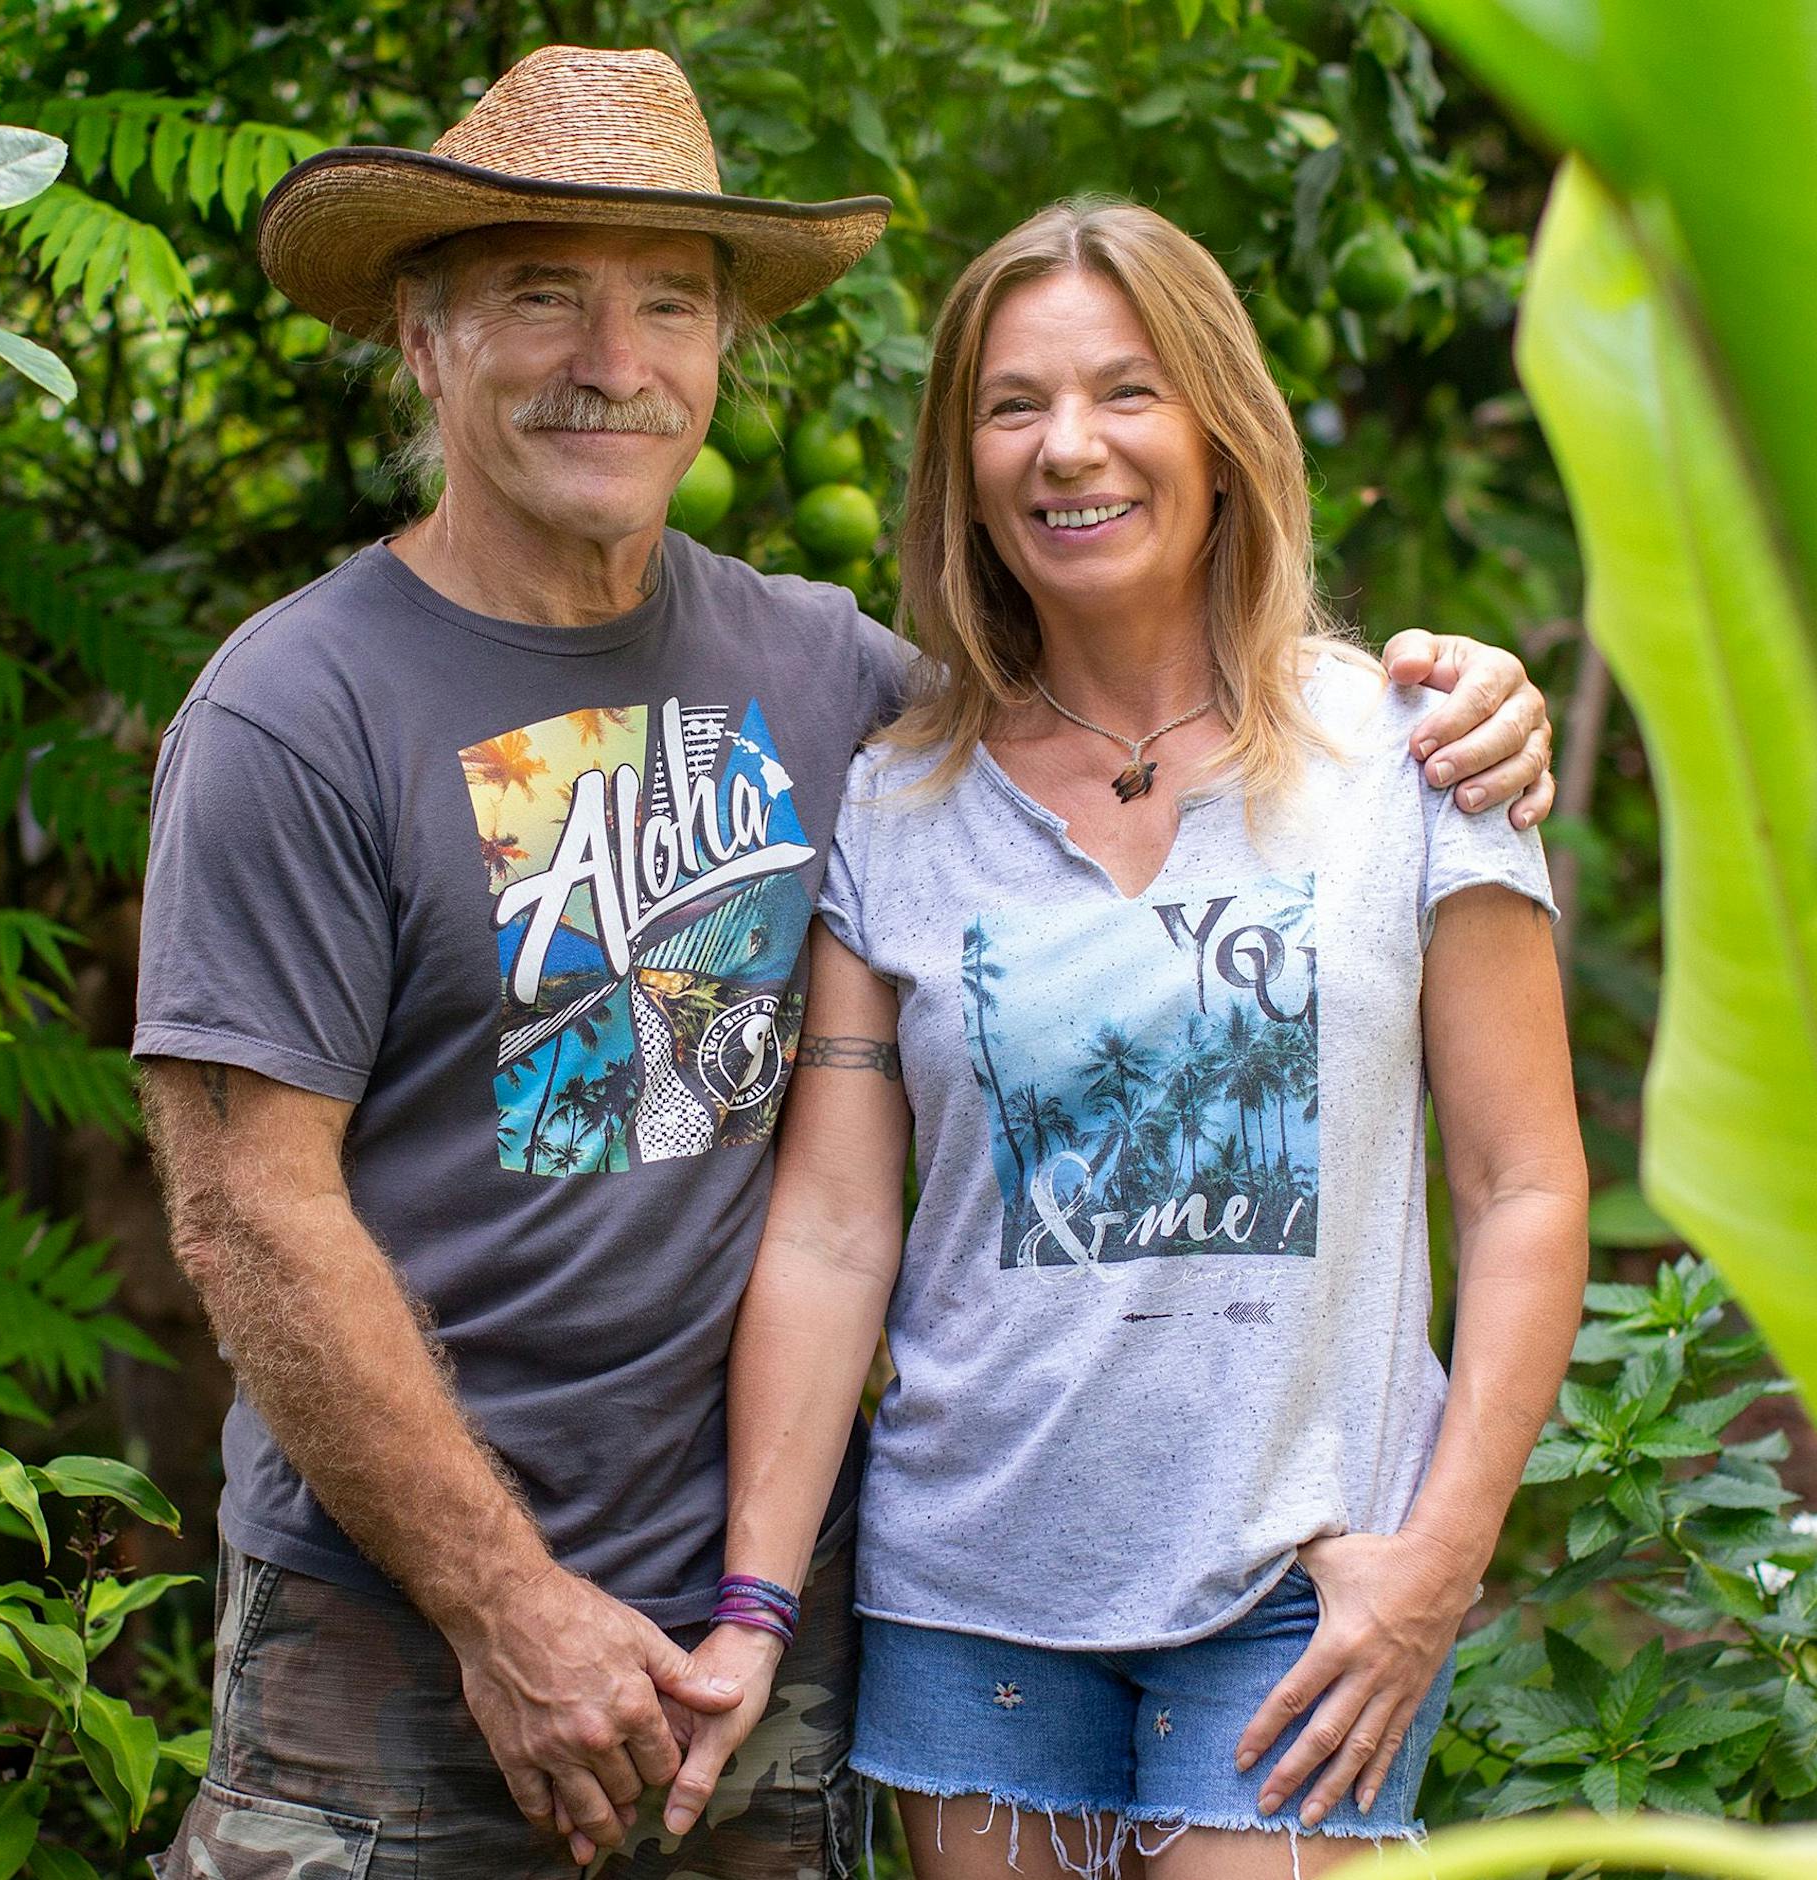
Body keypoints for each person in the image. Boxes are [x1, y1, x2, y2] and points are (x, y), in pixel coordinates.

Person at [133, 39, 1558, 1879]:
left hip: (766, 1628)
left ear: (724, 351)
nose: (612, 357)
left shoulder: (834, 690)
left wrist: (1463, 696)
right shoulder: (296, 713)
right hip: (406, 1621)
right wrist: (506, 1606)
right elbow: (248, 1217)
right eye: (542, 295)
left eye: (668, 302)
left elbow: (1099, 725)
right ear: (424, 336)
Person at [677, 199, 1588, 1880]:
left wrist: (1440, 1561)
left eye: (1126, 391)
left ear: (1223, 436)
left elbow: (1524, 1187)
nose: (1067, 447)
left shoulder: (1414, 756)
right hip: (970, 1601)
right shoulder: (899, 797)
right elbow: (832, 1230)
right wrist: (755, 1602)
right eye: (1013, 406)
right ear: (963, 473)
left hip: (1306, 1586)